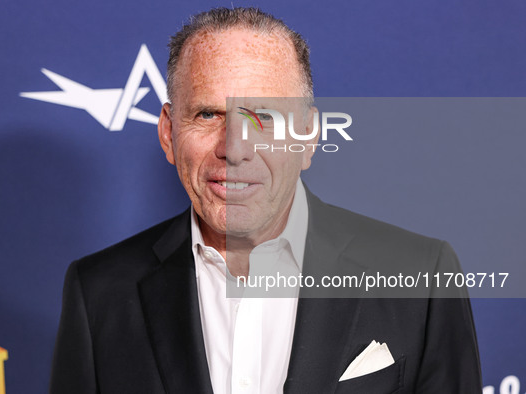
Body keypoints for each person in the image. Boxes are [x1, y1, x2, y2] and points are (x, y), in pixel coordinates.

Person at [49, 7, 482, 393]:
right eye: (208, 114)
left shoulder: (422, 278)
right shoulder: (99, 292)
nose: (235, 148)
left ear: (309, 137)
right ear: (168, 133)